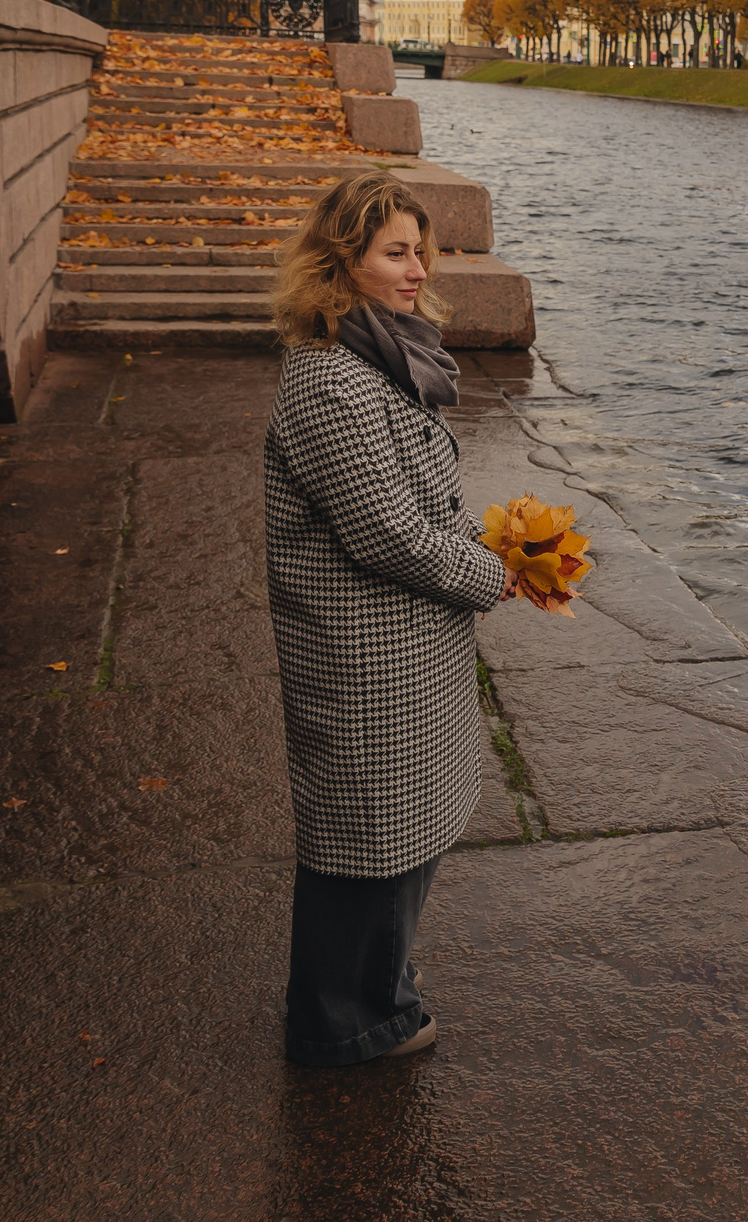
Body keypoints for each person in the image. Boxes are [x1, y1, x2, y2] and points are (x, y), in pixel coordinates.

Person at [264, 172, 518, 1067]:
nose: (419, 271)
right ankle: (339, 1022)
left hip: (405, 645)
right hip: (364, 650)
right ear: (344, 263)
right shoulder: (332, 378)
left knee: (398, 833)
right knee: (362, 842)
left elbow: (406, 504)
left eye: (422, 251)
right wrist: (491, 571)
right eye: (397, 253)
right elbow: (386, 534)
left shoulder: (379, 351)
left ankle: (379, 991)